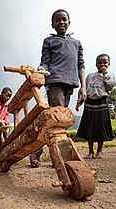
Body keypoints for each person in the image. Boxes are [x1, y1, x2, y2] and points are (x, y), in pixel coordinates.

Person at [29, 9, 87, 167]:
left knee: (57, 120)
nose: (61, 22)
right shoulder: (49, 41)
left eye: (64, 19)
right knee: (59, 117)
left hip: (71, 83)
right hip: (54, 81)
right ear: (52, 24)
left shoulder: (77, 43)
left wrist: (83, 86)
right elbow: (45, 60)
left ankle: (37, 152)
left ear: (69, 22)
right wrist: (42, 67)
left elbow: (80, 64)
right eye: (57, 20)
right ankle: (60, 158)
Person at [76, 54, 116, 159]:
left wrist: (105, 74)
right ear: (96, 64)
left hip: (102, 103)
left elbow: (110, 86)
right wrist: (79, 101)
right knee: (90, 128)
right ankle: (90, 151)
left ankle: (99, 151)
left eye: (105, 62)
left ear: (109, 64)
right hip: (89, 103)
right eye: (100, 62)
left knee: (100, 128)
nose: (102, 64)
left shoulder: (110, 76)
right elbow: (84, 90)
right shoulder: (90, 76)